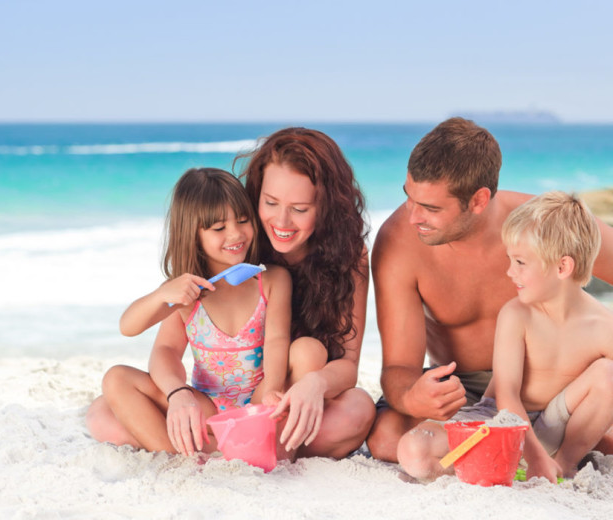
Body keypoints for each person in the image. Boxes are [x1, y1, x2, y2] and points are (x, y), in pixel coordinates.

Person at [367, 117, 613, 463]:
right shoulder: (399, 243)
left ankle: (548, 444)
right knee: (386, 438)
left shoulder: (542, 225)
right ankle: (549, 446)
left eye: (432, 208)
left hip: (558, 381)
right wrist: (413, 398)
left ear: (479, 199)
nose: (413, 217)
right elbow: (398, 369)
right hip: (467, 391)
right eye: (409, 198)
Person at [396, 191, 613, 482]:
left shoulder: (603, 326)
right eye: (510, 260)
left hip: (554, 426)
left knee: (608, 374)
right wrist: (533, 454)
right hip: (499, 422)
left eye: (520, 262)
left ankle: (561, 465)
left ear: (562, 267)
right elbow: (507, 395)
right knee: (413, 449)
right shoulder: (516, 314)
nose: (510, 272)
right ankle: (515, 463)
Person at [86, 167, 292, 456]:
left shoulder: (271, 280)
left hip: (257, 402)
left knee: (106, 416)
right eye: (219, 228)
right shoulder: (184, 293)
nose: (236, 233)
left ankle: (203, 448)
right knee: (115, 380)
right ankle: (180, 456)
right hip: (205, 406)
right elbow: (150, 341)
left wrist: (270, 390)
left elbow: (277, 340)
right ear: (192, 235)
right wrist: (178, 393)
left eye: (243, 221)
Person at [238, 127, 375, 458]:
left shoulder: (349, 255)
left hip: (299, 397)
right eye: (270, 202)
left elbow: (348, 362)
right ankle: (266, 445)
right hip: (241, 393)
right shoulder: (240, 241)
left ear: (327, 208)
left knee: (359, 407)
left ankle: (266, 447)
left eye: (300, 209)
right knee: (102, 416)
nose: (281, 221)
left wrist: (315, 384)